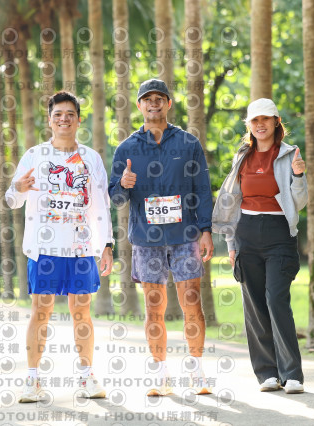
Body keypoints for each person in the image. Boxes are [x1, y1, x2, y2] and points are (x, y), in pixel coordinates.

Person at [108, 79, 214, 396]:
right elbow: (115, 199)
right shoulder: (126, 149)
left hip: (185, 236)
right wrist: (123, 184)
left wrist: (206, 230)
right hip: (146, 239)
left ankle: (196, 371)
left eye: (159, 98)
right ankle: (160, 375)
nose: (153, 103)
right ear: (139, 105)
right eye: (147, 99)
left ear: (168, 103)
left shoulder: (188, 143)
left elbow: (202, 190)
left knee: (191, 302)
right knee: (154, 307)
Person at [6, 91, 113, 402]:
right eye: (58, 115)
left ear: (78, 120)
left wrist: (106, 244)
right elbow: (11, 200)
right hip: (44, 248)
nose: (64, 119)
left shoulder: (91, 158)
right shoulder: (35, 155)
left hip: (81, 248)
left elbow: (102, 204)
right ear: (50, 121)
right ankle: (32, 380)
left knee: (82, 311)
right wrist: (17, 187)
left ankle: (86, 376)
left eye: (70, 114)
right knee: (41, 311)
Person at [212, 98, 308, 394]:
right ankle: (267, 372)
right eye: (255, 120)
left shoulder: (290, 154)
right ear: (249, 125)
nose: (260, 124)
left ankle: (292, 374)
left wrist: (299, 176)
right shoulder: (242, 156)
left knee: (276, 299)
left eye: (266, 119)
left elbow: (300, 202)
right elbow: (232, 201)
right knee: (254, 303)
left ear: (277, 122)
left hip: (279, 232)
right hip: (246, 233)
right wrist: (231, 243)